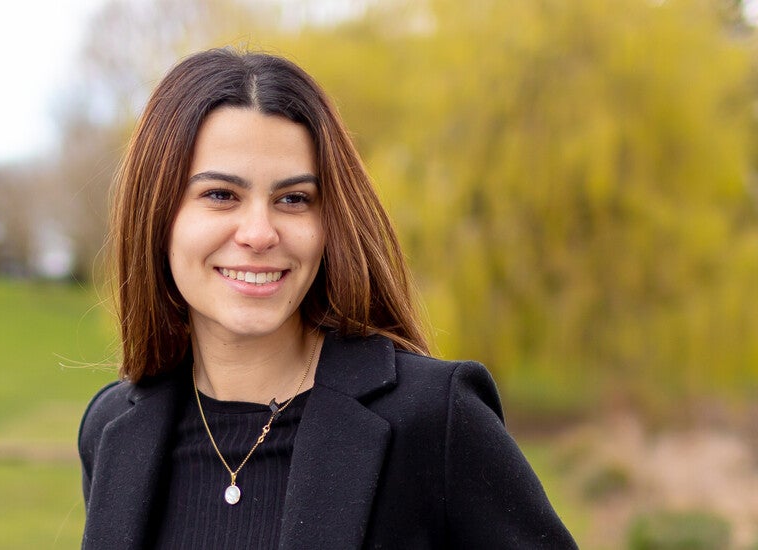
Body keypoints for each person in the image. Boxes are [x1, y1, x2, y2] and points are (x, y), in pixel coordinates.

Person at [78, 48, 576, 549]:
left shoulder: (434, 418)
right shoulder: (112, 429)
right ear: (156, 214)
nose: (259, 233)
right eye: (221, 195)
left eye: (293, 199)